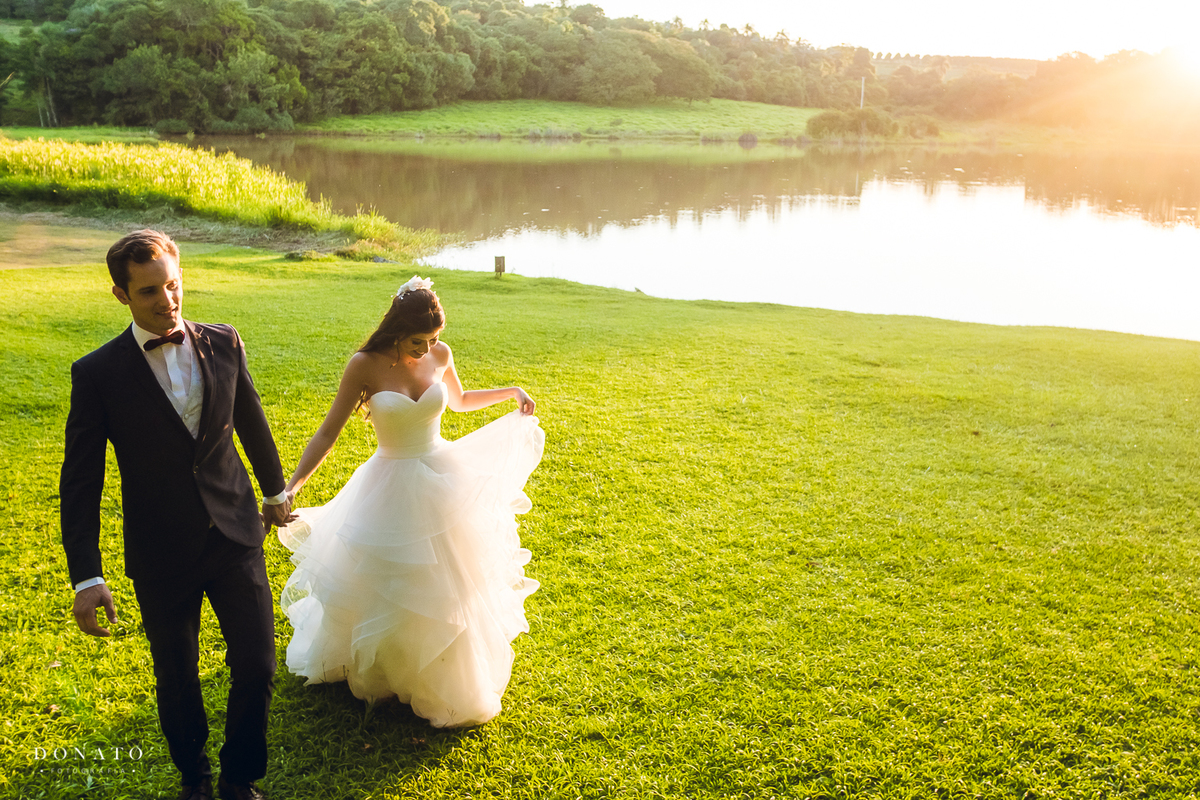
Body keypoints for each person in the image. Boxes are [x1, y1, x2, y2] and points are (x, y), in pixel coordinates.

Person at [60, 230, 292, 800]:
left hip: (234, 532)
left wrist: (274, 491)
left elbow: (250, 420)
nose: (167, 300)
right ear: (121, 295)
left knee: (258, 664)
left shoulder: (224, 341)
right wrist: (86, 577)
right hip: (161, 549)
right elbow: (81, 482)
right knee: (177, 675)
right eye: (149, 292)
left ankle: (240, 778)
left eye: (173, 285)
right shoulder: (97, 374)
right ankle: (196, 779)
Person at [275, 276, 543, 728]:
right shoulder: (364, 365)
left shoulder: (440, 354)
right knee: (388, 580)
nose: (427, 349)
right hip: (388, 481)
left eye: (434, 339)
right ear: (397, 330)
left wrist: (511, 392)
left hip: (441, 476)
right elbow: (328, 432)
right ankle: (382, 669)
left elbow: (459, 400)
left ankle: (444, 675)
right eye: (418, 341)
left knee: (447, 581)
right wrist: (292, 487)